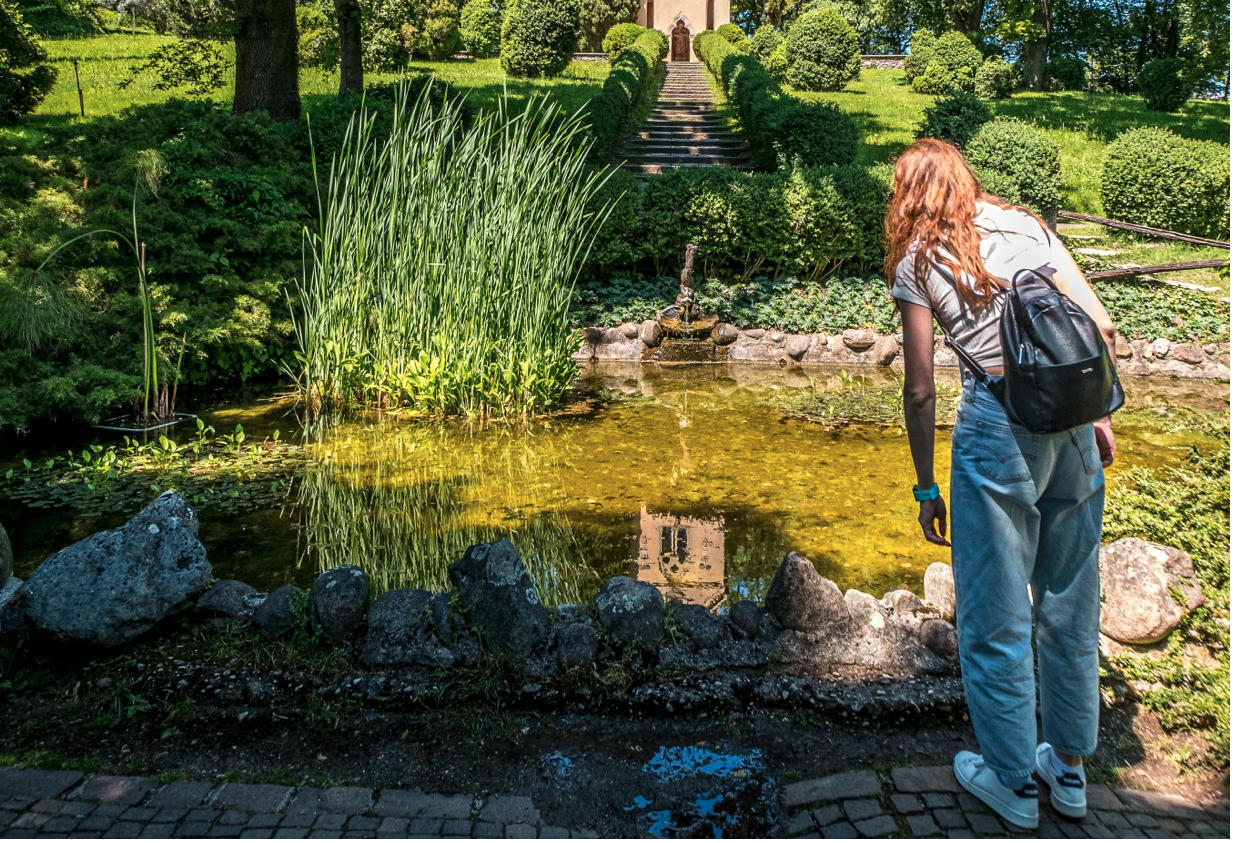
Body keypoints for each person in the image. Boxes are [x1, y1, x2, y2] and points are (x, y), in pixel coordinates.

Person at [884, 140, 1117, 830]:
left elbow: (921, 388)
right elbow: (1099, 323)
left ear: (907, 194)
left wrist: (926, 485)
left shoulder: (917, 261)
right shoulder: (1029, 226)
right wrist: (1095, 411)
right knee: (1072, 598)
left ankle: (1012, 779)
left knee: (993, 613)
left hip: (997, 423)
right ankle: (1069, 771)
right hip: (1072, 423)